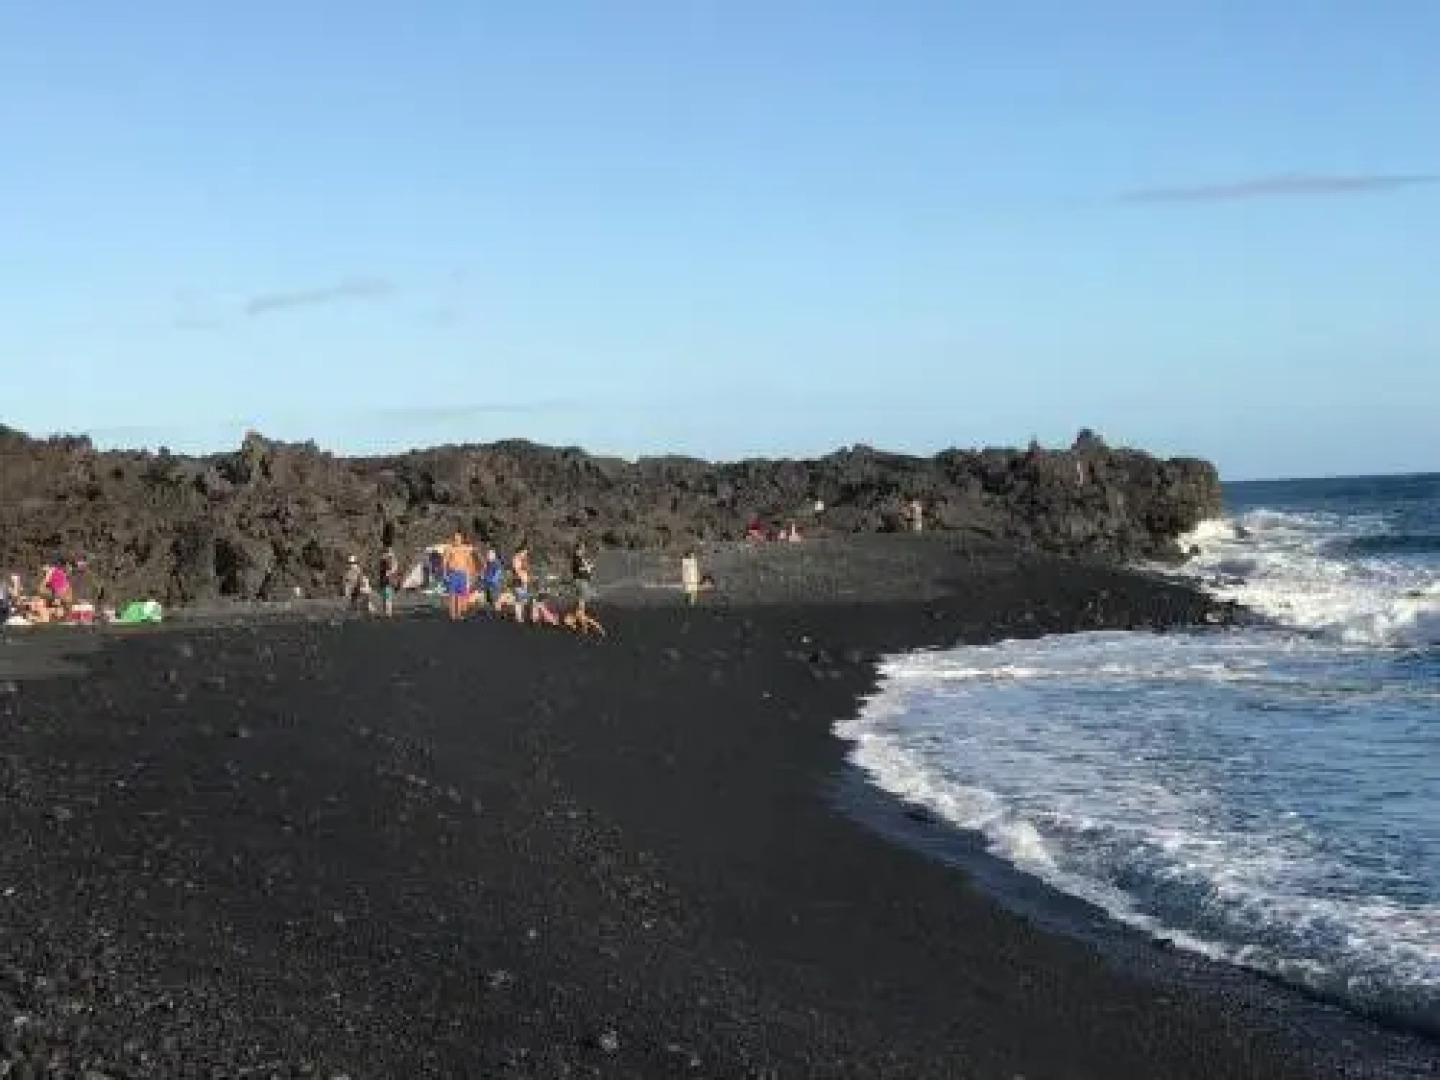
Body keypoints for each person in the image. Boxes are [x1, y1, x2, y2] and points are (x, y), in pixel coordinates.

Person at [567, 539, 605, 636]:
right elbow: (579, 569)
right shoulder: (576, 558)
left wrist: (589, 567)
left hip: (583, 582)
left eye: (583, 548)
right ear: (578, 549)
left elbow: (582, 569)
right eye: (582, 548)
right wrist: (588, 567)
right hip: (581, 582)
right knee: (580, 606)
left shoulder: (580, 558)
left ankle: (583, 627)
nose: (583, 550)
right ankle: (587, 626)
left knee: (581, 606)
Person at [441, 531, 478, 621]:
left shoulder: (466, 549)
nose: (457, 540)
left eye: (458, 538)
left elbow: (470, 562)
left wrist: (472, 575)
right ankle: (453, 614)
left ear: (462, 539)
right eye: (455, 538)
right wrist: (445, 574)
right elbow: (444, 562)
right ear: (453, 539)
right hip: (453, 573)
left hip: (463, 574)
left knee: (461, 595)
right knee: (453, 595)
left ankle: (459, 614)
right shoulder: (449, 548)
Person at [510, 541, 532, 624]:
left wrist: (526, 578)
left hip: (523, 581)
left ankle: (520, 616)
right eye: (525, 552)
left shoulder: (523, 559)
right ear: (521, 551)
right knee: (519, 599)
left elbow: (525, 570)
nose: (525, 554)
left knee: (523, 599)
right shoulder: (517, 558)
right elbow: (517, 570)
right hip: (518, 581)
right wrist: (523, 576)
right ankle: (519, 617)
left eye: (526, 553)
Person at [376, 546, 400, 617]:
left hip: (387, 580)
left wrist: (388, 574)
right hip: (386, 580)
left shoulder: (389, 559)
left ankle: (388, 612)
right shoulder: (390, 559)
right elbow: (394, 569)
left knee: (387, 596)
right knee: (386, 596)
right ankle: (387, 612)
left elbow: (391, 570)